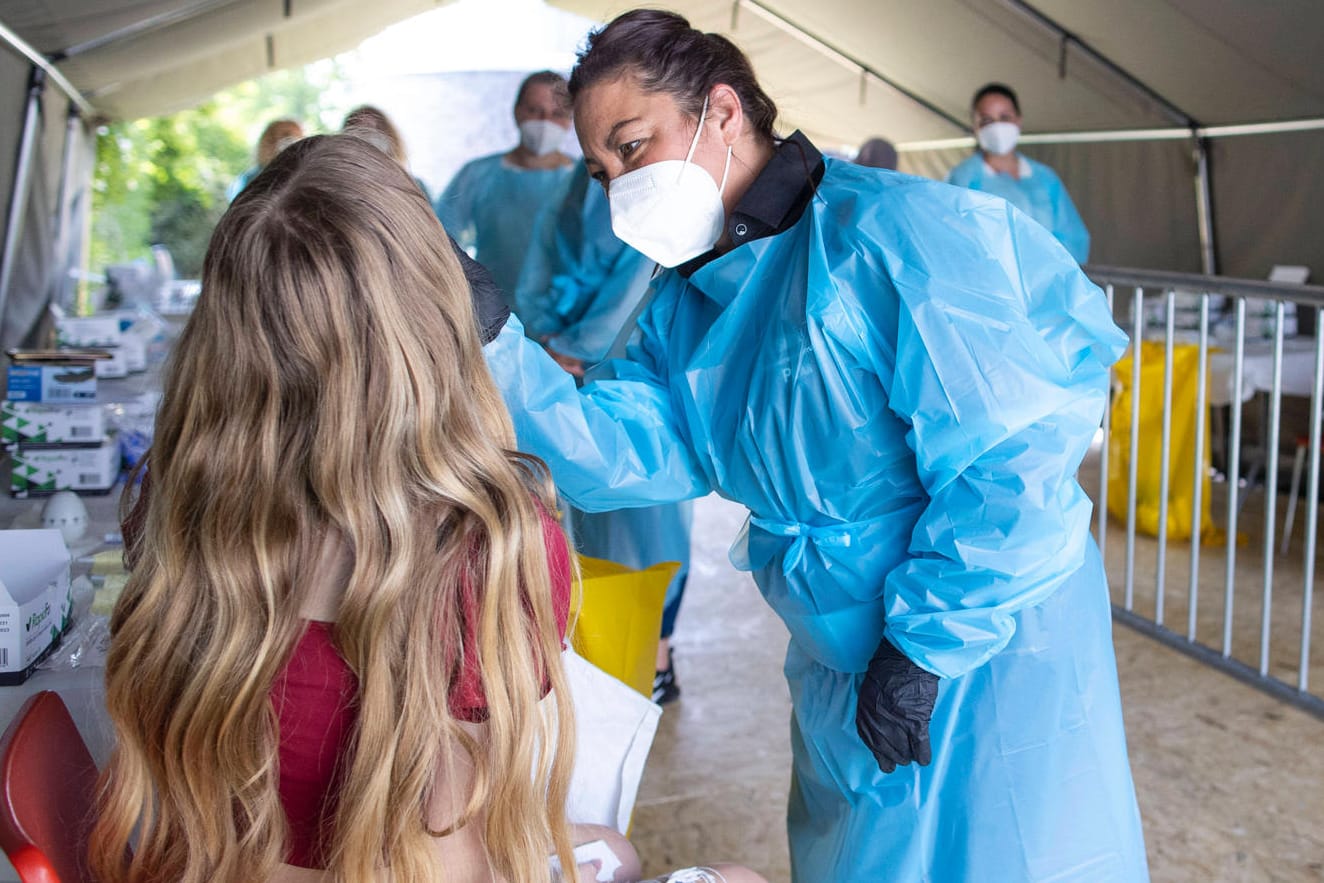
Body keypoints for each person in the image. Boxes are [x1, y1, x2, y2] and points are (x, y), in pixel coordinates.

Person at [483, 10, 1149, 882]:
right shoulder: (689, 298)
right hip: (842, 652)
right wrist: (493, 345)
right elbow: (629, 448)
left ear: (723, 112)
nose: (618, 188)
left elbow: (1011, 464)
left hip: (986, 644)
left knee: (1008, 854)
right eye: (602, 169)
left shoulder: (897, 234)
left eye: (634, 146)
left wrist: (923, 648)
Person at [89, 133, 766, 883]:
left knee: (615, 845)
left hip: (213, 859)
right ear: (436, 314)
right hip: (390, 864)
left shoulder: (172, 497)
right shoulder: (483, 545)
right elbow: (443, 857)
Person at [515, 161, 694, 703]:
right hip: (566, 378)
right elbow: (539, 269)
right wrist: (545, 341)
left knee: (651, 527)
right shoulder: (572, 194)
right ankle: (615, 654)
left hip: (631, 382)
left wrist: (570, 348)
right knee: (589, 527)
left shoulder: (656, 211)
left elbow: (640, 293)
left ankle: (655, 655)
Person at [435, 70, 577, 299]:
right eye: (534, 111)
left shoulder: (584, 180)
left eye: (557, 113)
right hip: (492, 312)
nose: (544, 122)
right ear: (517, 111)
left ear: (571, 119)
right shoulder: (477, 175)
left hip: (563, 318)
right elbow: (440, 240)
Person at [946, 82, 1091, 263]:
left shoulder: (1045, 178)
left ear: (1018, 120)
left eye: (1005, 117)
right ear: (975, 126)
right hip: (989, 286)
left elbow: (1073, 238)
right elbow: (953, 241)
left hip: (1045, 284)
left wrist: (1048, 269)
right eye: (987, 120)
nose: (997, 127)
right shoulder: (962, 179)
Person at [342, 104, 433, 200]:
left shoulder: (414, 187)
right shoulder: (339, 187)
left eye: (374, 132)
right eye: (359, 133)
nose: (368, 141)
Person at [227, 117, 303, 202]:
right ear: (269, 142)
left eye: (299, 138)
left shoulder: (304, 177)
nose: (294, 143)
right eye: (287, 136)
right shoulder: (249, 180)